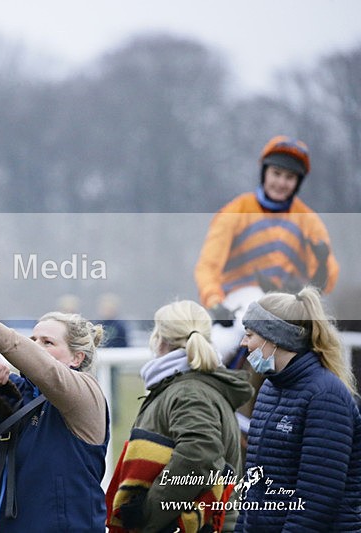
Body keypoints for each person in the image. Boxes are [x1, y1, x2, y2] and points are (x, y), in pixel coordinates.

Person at [0, 291, 109, 532]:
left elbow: (48, 372)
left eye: (48, 342)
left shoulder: (87, 395)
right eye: (32, 340)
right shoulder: (9, 391)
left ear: (77, 358)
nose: (36, 347)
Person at [106, 300, 253, 533]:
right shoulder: (184, 385)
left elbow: (199, 455)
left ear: (160, 339)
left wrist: (149, 514)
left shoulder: (189, 392)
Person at [194, 135, 339, 366]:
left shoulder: (308, 220)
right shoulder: (236, 210)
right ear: (265, 173)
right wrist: (214, 302)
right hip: (241, 299)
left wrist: (322, 263)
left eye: (289, 177)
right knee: (217, 348)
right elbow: (207, 266)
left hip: (288, 300)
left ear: (298, 182)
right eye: (277, 174)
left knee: (331, 350)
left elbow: (326, 280)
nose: (281, 183)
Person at [237, 287, 361, 531]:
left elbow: (317, 500)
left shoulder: (326, 396)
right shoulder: (269, 390)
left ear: (275, 338)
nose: (243, 342)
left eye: (250, 334)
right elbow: (253, 488)